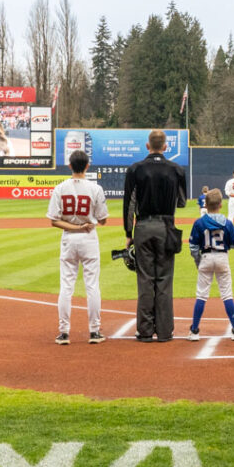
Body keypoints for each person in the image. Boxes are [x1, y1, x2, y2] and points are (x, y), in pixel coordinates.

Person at [123, 129, 187, 342]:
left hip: (143, 226)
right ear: (166, 147)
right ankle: (165, 331)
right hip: (167, 227)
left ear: (147, 146)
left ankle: (145, 330)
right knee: (165, 280)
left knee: (145, 280)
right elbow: (182, 202)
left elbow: (130, 204)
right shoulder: (176, 169)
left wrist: (128, 233)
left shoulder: (135, 169)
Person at [47, 149, 109, 345]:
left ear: (70, 166)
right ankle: (94, 331)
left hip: (69, 239)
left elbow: (54, 221)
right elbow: (103, 219)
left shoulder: (60, 188)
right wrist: (85, 224)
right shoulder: (95, 188)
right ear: (87, 166)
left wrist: (75, 226)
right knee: (92, 286)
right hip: (89, 238)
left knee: (66, 286)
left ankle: (64, 333)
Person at [187, 189, 234, 340]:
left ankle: (194, 331)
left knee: (201, 295)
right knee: (227, 294)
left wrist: (198, 261)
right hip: (222, 257)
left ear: (205, 205)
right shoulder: (227, 222)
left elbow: (193, 247)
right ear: (220, 204)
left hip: (206, 256)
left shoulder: (199, 222)